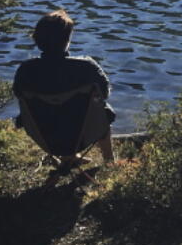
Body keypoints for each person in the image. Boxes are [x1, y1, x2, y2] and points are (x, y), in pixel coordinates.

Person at [14, 9, 116, 165]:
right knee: (104, 110)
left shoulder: (25, 70)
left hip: (45, 136)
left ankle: (69, 157)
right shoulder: (86, 66)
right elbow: (105, 92)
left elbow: (18, 95)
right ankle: (109, 162)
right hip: (81, 133)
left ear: (37, 39)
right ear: (67, 39)